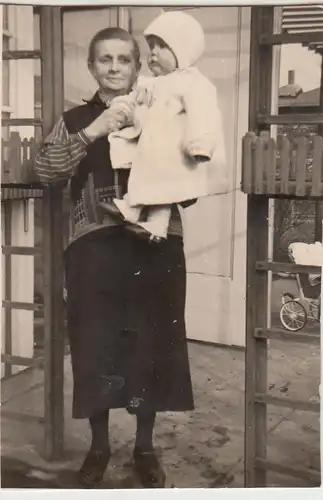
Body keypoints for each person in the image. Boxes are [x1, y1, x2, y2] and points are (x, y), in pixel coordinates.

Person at [34, 26, 194, 489]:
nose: (115, 68)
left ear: (138, 67)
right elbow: (44, 171)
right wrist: (93, 132)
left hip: (156, 244)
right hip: (94, 250)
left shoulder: (164, 112)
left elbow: (193, 183)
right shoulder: (75, 118)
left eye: (125, 59)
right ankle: (99, 446)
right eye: (105, 59)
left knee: (151, 347)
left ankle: (144, 446)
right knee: (96, 347)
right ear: (91, 66)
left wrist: (155, 201)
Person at [101, 11, 227, 242]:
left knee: (160, 186)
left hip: (174, 151)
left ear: (183, 51)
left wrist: (200, 144)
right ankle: (150, 223)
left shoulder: (193, 83)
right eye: (151, 47)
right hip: (153, 148)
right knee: (154, 185)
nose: (154, 54)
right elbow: (134, 101)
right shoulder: (152, 84)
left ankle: (139, 213)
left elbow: (204, 114)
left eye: (163, 46)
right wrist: (121, 106)